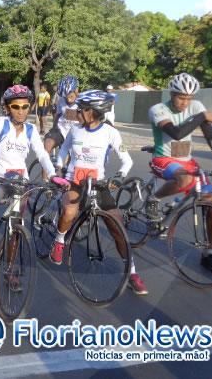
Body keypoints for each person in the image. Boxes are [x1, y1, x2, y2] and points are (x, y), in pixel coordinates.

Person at [49, 90, 148, 295]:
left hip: (99, 184)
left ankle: (132, 273)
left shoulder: (110, 132)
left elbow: (127, 160)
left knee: (118, 229)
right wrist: (58, 168)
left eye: (81, 109)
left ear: (93, 111)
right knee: (68, 213)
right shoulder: (75, 130)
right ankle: (59, 241)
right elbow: (64, 151)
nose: (77, 112)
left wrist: (119, 177)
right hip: (74, 181)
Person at [0, 85, 56, 270]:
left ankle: (10, 270)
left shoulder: (30, 129)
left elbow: (42, 155)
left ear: (30, 107)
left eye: (25, 106)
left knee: (16, 225)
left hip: (21, 180)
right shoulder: (0, 123)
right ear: (8, 108)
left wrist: (53, 175)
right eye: (16, 106)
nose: (21, 111)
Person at [146, 73, 212, 272]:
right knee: (185, 179)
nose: (185, 103)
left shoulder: (196, 108)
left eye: (189, 98)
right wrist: (203, 116)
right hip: (163, 159)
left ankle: (209, 252)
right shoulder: (158, 109)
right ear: (172, 93)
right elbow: (177, 133)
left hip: (188, 161)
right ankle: (154, 198)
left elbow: (209, 134)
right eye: (181, 97)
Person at [44, 75, 80, 158]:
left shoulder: (82, 102)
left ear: (76, 90)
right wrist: (54, 128)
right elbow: (58, 115)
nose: (68, 99)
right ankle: (46, 168)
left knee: (70, 159)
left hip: (75, 133)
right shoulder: (61, 100)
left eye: (71, 96)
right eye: (66, 96)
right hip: (61, 130)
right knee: (47, 144)